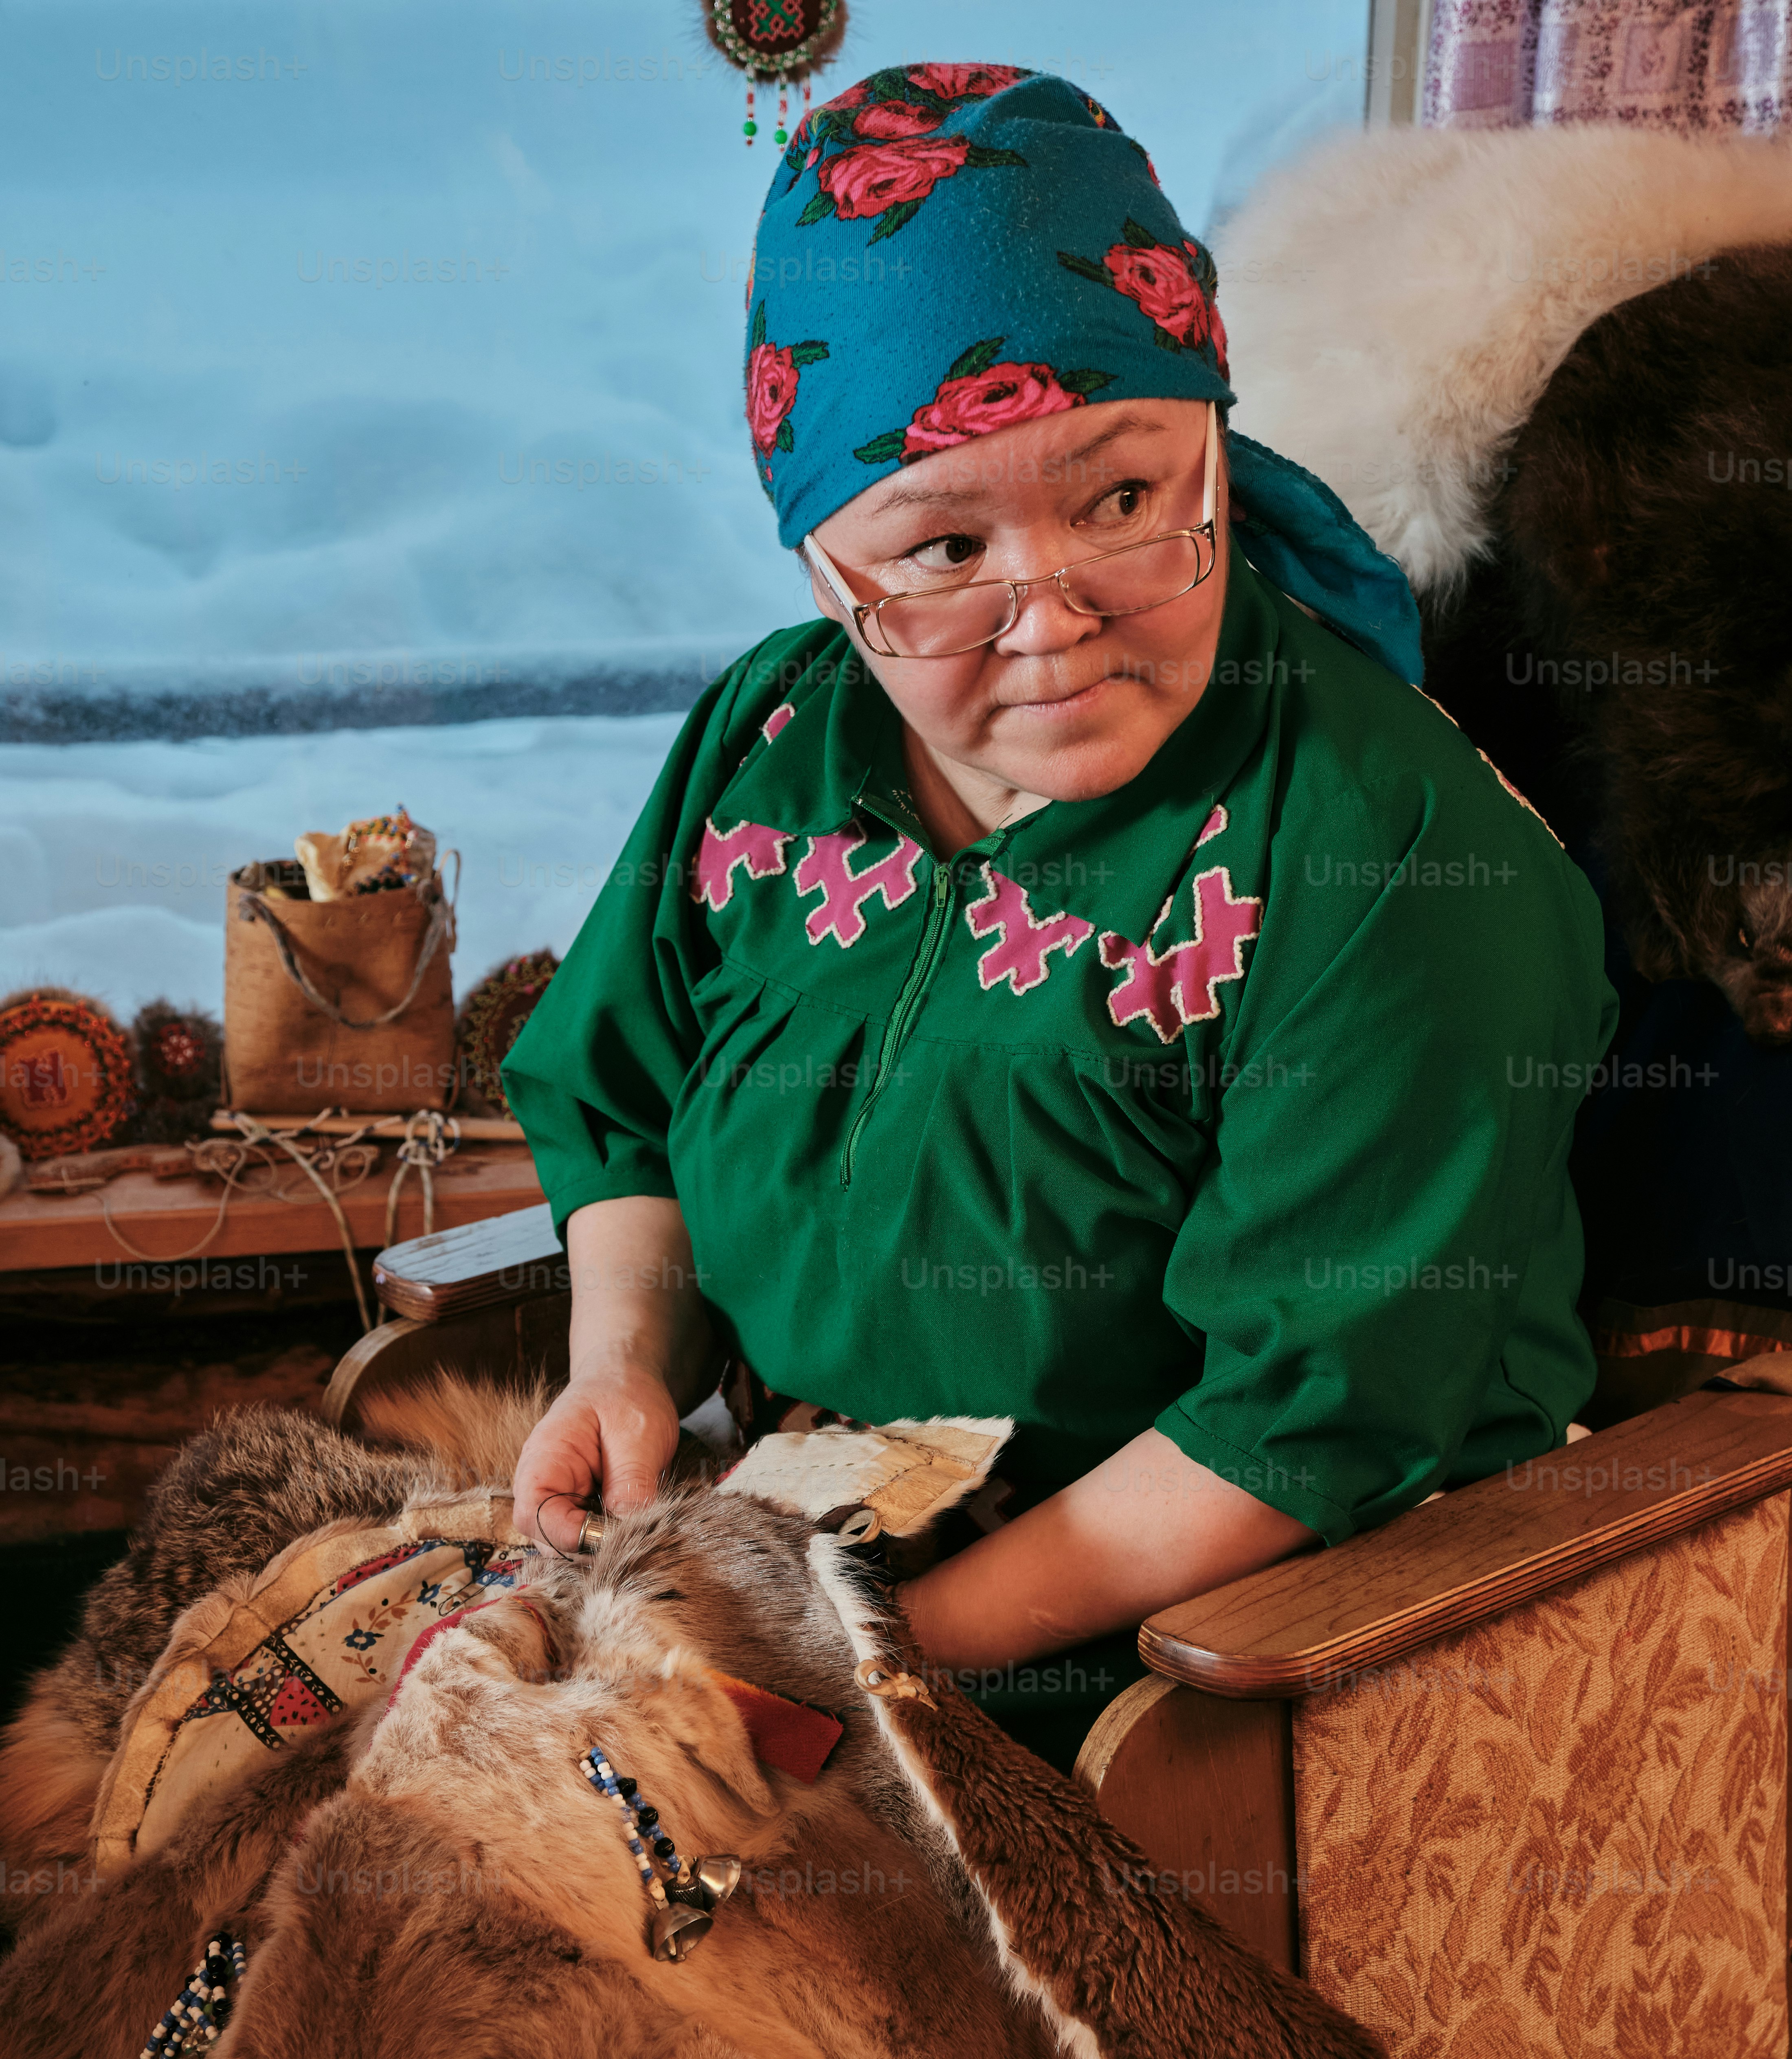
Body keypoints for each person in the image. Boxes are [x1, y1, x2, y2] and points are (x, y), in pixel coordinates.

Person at [505, 64, 1614, 1765]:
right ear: (816, 559)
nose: (1052, 623)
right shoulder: (771, 740)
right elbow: (621, 1095)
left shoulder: (1388, 850)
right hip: (806, 1585)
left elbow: (1301, 1424)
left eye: (1120, 499)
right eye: (941, 551)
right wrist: (624, 1367)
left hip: (1230, 1678)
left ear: (1212, 444)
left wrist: (865, 1675)